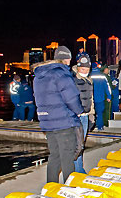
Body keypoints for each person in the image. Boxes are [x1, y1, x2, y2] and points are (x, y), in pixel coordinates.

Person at [32, 46, 84, 183]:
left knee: (54, 156)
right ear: (68, 59)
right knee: (67, 158)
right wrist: (79, 111)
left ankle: (51, 188)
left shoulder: (39, 76)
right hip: (64, 122)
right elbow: (71, 97)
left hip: (47, 122)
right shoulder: (61, 74)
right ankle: (70, 189)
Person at [72, 53, 94, 173]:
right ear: (78, 67)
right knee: (77, 145)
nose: (84, 71)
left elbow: (91, 99)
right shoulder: (72, 80)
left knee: (81, 144)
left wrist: (92, 115)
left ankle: (79, 168)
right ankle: (78, 170)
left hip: (85, 116)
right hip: (76, 117)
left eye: (87, 69)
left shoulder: (89, 80)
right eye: (82, 69)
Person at [91, 62, 111, 130]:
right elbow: (107, 87)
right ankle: (100, 126)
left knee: (91, 113)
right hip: (100, 98)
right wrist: (109, 96)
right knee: (100, 113)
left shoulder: (89, 75)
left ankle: (91, 127)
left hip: (91, 98)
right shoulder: (102, 76)